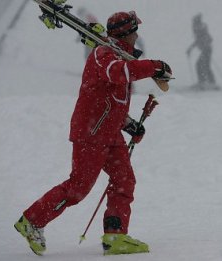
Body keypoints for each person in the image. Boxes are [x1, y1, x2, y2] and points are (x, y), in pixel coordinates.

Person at [14, 10, 172, 256]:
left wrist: (129, 124)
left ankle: (115, 237)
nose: (138, 34)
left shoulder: (120, 56)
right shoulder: (103, 54)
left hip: (108, 133)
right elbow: (117, 74)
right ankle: (32, 221)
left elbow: (111, 99)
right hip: (91, 133)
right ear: (127, 33)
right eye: (135, 30)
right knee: (78, 187)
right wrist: (155, 67)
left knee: (124, 180)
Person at [186, 13, 217, 90]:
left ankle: (209, 82)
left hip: (207, 49)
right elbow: (198, 40)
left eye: (194, 22)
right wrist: (190, 48)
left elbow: (209, 39)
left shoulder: (201, 29)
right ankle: (207, 82)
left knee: (203, 65)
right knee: (202, 65)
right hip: (205, 50)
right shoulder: (200, 29)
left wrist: (205, 44)